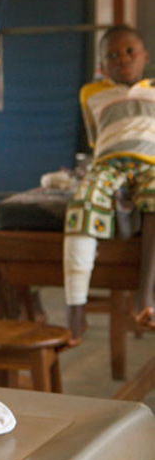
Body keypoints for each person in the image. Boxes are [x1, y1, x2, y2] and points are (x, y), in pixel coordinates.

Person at [64, 24, 155, 345]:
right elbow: (94, 138)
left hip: (151, 164)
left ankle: (146, 293)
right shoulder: (92, 93)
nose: (123, 59)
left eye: (130, 51)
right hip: (109, 163)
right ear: (102, 64)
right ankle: (76, 304)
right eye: (112, 55)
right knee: (83, 202)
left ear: (145, 55)